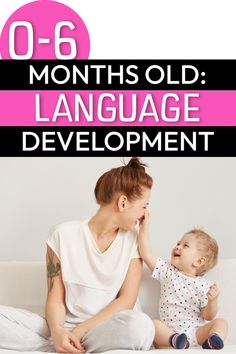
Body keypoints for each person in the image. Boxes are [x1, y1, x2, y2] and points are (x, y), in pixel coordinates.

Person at [0, 157, 155, 353]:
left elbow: (126, 301)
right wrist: (57, 332)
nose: (145, 215)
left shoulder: (133, 241)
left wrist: (80, 331)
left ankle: (66, 345)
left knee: (141, 327)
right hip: (61, 327)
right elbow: (55, 297)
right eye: (144, 206)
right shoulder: (62, 235)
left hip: (104, 329)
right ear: (123, 202)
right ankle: (62, 344)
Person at [138, 211, 228, 350]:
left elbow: (208, 316)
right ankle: (175, 340)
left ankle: (213, 339)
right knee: (153, 325)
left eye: (185, 245)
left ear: (198, 261)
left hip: (196, 333)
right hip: (170, 331)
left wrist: (212, 301)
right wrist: (144, 228)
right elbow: (146, 254)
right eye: (178, 243)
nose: (178, 246)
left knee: (221, 323)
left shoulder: (204, 285)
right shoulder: (167, 270)